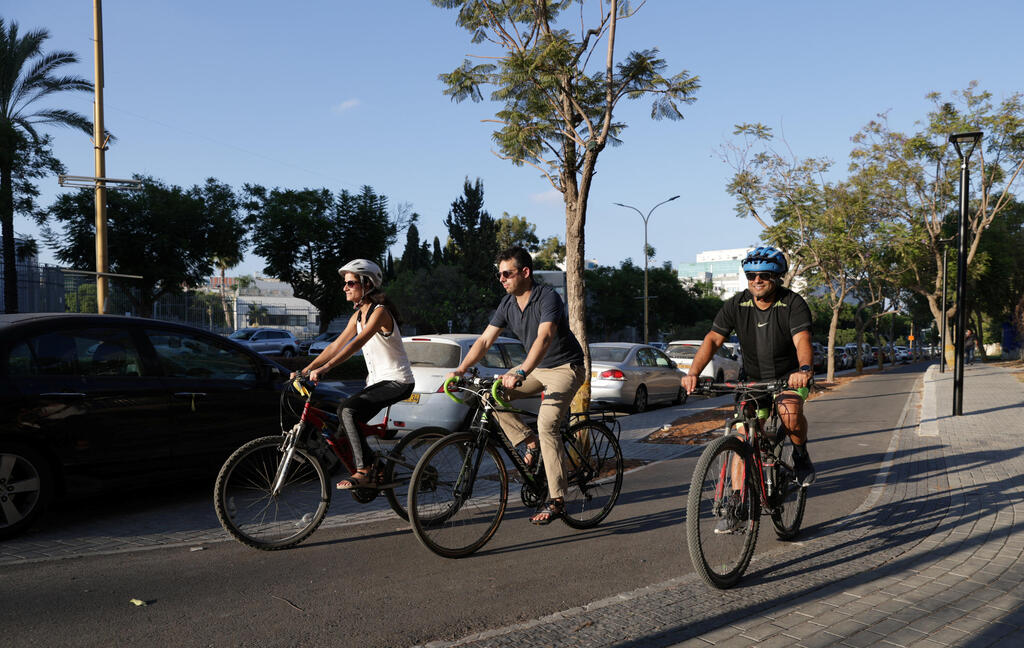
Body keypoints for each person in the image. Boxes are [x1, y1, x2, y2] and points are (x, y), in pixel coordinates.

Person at [680, 246, 816, 533]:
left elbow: (802, 339)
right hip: (752, 380)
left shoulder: (792, 303)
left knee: (789, 411)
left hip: (787, 378)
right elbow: (713, 339)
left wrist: (803, 370)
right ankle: (737, 504)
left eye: (763, 275)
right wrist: (693, 373)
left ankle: (801, 455)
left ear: (777, 277)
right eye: (751, 275)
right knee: (741, 435)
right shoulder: (736, 304)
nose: (756, 280)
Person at [446, 247, 586, 525]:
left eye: (507, 273)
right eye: (499, 275)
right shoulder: (507, 305)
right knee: (489, 396)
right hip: (538, 369)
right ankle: (528, 441)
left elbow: (544, 336)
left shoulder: (548, 297)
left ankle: (557, 499)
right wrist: (461, 369)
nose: (502, 279)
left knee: (547, 424)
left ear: (525, 272)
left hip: (565, 368)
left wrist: (521, 370)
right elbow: (485, 341)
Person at [299, 259, 415, 490]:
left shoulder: (380, 312)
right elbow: (335, 346)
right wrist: (306, 369)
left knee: (348, 409)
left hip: (398, 381)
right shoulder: (358, 316)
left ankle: (364, 469)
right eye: (345, 283)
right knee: (342, 418)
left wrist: (325, 369)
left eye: (351, 283)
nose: (345, 288)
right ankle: (378, 468)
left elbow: (357, 343)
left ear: (367, 284)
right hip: (377, 382)